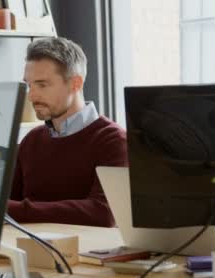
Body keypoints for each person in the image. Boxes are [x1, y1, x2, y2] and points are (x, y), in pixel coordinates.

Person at [7, 37, 128, 227]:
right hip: (29, 249)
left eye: (42, 85)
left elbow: (103, 213)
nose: (31, 95)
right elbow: (5, 205)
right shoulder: (31, 141)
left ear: (75, 84)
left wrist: (18, 210)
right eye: (29, 84)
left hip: (85, 254)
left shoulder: (114, 141)